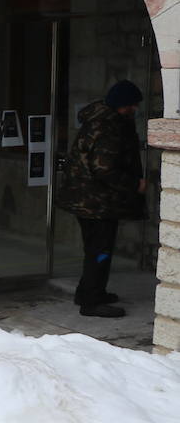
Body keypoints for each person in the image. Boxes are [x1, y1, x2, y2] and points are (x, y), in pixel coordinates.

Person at [57, 80, 148, 318]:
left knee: (95, 250)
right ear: (123, 105)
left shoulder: (98, 120)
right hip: (97, 202)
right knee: (101, 251)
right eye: (132, 105)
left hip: (88, 200)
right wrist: (134, 185)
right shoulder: (109, 127)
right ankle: (92, 301)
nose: (135, 109)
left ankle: (88, 291)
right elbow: (104, 169)